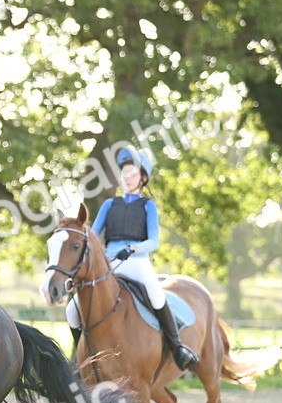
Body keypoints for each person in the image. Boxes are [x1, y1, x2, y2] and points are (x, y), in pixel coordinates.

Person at [66, 147, 199, 371]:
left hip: (136, 260)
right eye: (124, 174)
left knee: (157, 296)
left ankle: (177, 348)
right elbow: (94, 236)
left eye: (132, 174)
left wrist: (134, 248)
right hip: (109, 263)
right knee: (71, 310)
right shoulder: (109, 204)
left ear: (143, 178)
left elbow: (154, 241)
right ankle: (78, 355)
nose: (127, 179)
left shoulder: (148, 206)